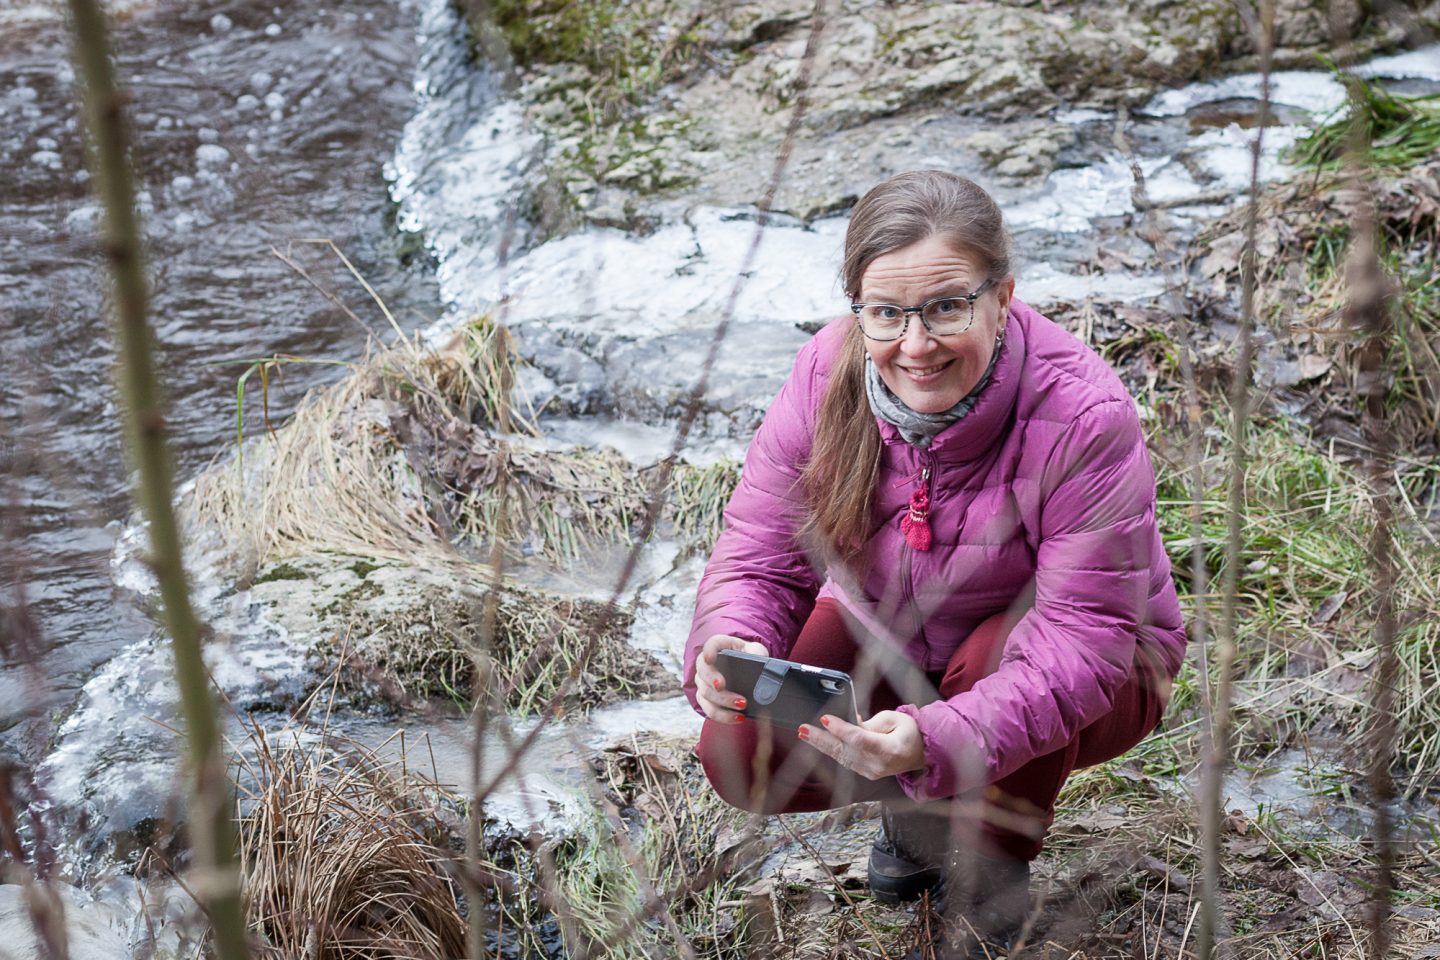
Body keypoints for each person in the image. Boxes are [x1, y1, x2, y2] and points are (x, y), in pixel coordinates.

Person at [681, 170, 1187, 958]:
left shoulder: (1083, 414)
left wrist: (933, 741)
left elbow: (1082, 644)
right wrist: (731, 642)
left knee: (994, 661)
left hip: (1102, 667)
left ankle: (992, 863)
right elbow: (760, 557)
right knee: (740, 749)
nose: (915, 346)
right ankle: (923, 813)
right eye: (886, 313)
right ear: (857, 309)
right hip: (896, 631)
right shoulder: (825, 374)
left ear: (1002, 296)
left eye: (946, 307)